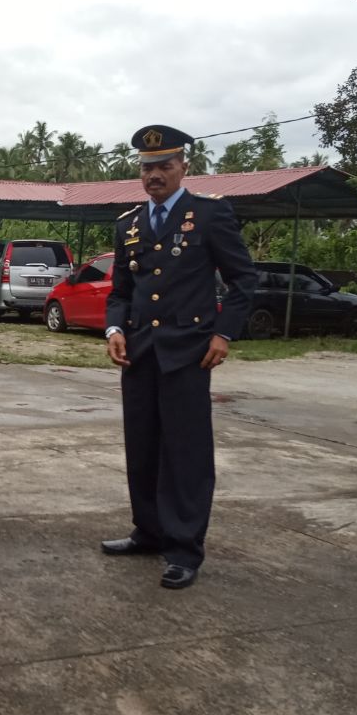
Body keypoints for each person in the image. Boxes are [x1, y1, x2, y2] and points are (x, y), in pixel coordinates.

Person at [101, 124, 257, 590]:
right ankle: (148, 531)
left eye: (164, 166)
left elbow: (243, 281)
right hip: (140, 354)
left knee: (186, 454)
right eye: (147, 167)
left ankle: (184, 548)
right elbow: (120, 293)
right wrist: (113, 328)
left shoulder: (208, 215)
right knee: (142, 447)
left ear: (183, 167)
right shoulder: (128, 224)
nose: (154, 175)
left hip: (189, 353)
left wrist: (223, 334)